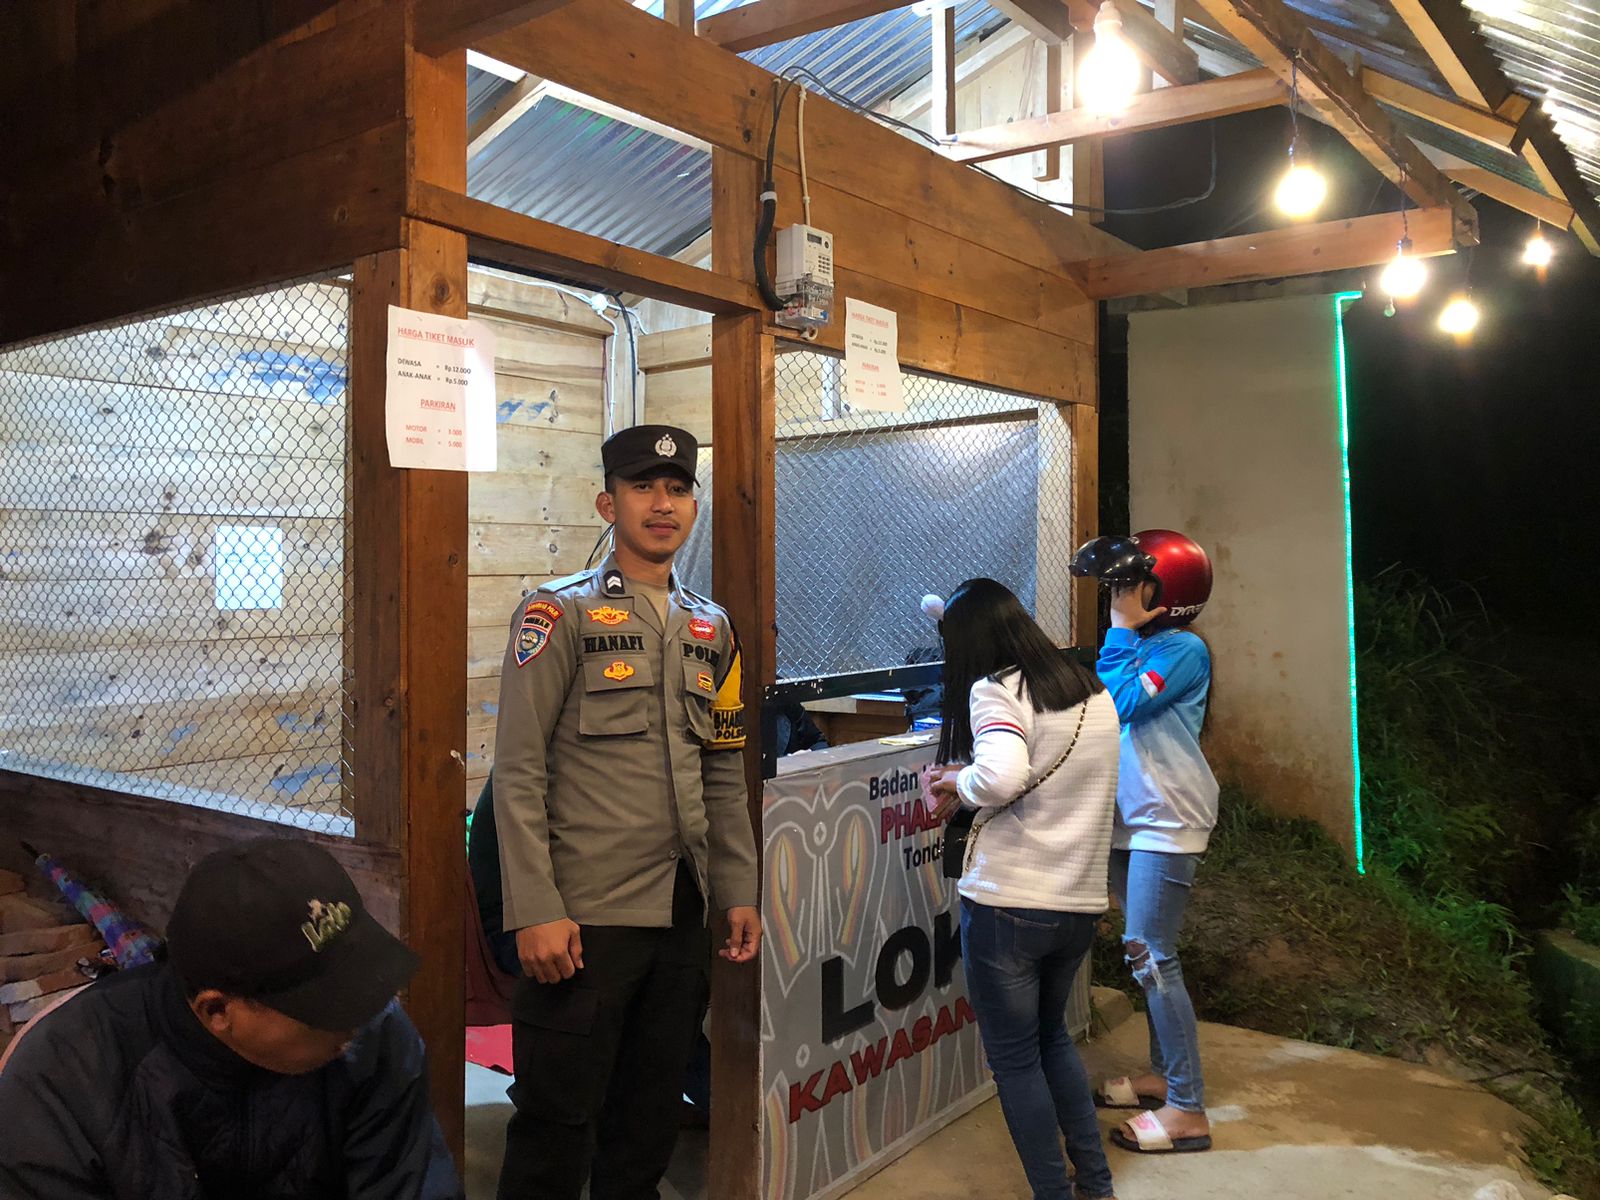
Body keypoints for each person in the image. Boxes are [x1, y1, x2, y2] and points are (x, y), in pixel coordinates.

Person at [477, 423, 762, 1200]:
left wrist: (737, 889)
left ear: (693, 506)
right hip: (583, 922)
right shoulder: (556, 614)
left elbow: (723, 769)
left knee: (646, 1124)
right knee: (555, 1127)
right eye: (643, 487)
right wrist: (534, 908)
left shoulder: (713, 628)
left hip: (681, 916)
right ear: (609, 503)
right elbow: (518, 771)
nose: (662, 504)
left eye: (677, 489)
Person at [0, 837, 463, 1199]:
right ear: (217, 1010)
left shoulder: (375, 1034)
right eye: (324, 1008)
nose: (357, 1019)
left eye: (356, 980)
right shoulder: (63, 1078)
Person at [925, 578, 1122, 1200]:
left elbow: (1003, 776)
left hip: (1009, 905)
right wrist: (974, 773)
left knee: (1014, 1061)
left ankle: (1052, 1192)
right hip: (1076, 903)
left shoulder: (995, 689)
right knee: (1052, 1039)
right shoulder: (1090, 690)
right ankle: (1095, 1183)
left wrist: (958, 783)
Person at [1070, 530, 1219, 1155]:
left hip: (1168, 816)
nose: (1118, 595)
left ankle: (1187, 1109)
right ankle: (1164, 1076)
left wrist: (1119, 631)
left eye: (1132, 585)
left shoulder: (1184, 649)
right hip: (1132, 817)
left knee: (1153, 955)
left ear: (1167, 592)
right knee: (1145, 954)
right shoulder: (1145, 645)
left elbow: (1118, 703)